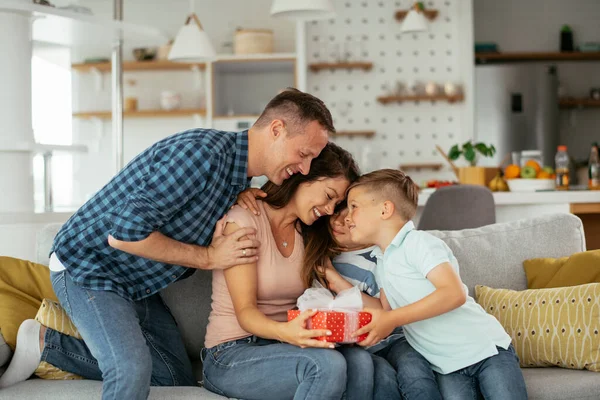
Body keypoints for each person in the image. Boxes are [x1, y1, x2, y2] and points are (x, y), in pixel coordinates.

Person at [0, 88, 334, 399]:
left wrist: (242, 194)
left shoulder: (236, 175)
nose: (304, 168)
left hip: (135, 280)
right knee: (129, 370)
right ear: (276, 129)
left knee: (175, 377)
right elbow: (124, 233)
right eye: (303, 154)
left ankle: (47, 345)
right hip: (90, 265)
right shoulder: (201, 154)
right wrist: (208, 257)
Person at [202, 143, 395, 400]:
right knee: (325, 365)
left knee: (361, 362)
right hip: (232, 353)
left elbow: (365, 235)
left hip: (285, 344)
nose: (329, 210)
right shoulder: (244, 221)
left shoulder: (310, 232)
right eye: (328, 196)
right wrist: (287, 331)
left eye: (336, 204)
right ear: (302, 177)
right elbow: (246, 313)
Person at [346, 169, 528, 400]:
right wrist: (333, 278)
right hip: (447, 366)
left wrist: (390, 320)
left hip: (484, 349)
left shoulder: (419, 243)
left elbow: (454, 294)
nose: (347, 216)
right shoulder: (383, 259)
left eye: (354, 206)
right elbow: (384, 310)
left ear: (385, 209)